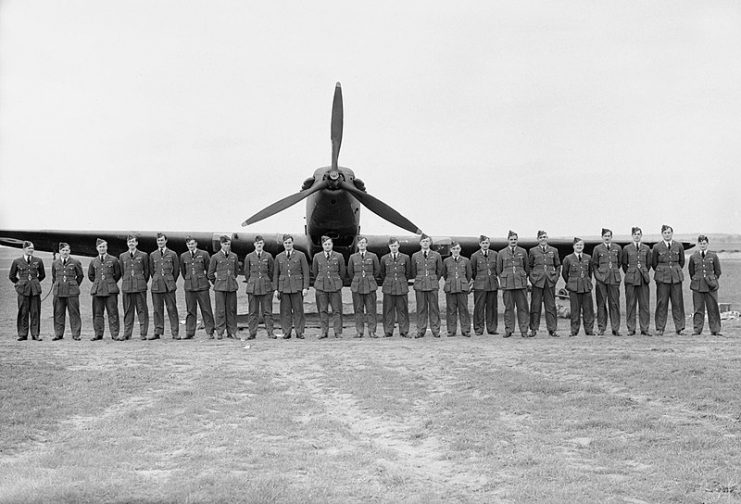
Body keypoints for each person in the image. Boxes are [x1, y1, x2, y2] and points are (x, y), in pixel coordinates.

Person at [273, 234, 310, 339]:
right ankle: (286, 332)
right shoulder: (279, 257)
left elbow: (305, 272)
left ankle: (299, 332)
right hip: (284, 287)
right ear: (283, 244)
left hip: (297, 287)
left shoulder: (300, 255)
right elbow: (276, 274)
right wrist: (276, 289)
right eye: (286, 243)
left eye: (289, 242)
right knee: (285, 311)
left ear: (292, 243)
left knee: (298, 311)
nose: (288, 244)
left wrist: (305, 287)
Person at [652, 224, 686, 335]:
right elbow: (654, 263)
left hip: (676, 278)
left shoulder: (679, 246)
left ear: (672, 233)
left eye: (669, 232)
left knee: (678, 302)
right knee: (662, 302)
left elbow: (681, 262)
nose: (667, 234)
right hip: (662, 278)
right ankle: (660, 328)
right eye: (665, 233)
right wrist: (663, 271)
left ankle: (679, 328)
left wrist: (674, 271)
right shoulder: (657, 247)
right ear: (662, 234)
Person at [9, 241, 46, 341]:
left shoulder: (38, 260)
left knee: (35, 311)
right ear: (24, 249)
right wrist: (20, 283)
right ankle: (22, 334)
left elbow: (42, 275)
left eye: (32, 248)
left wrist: (35, 282)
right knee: (23, 311)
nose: (31, 250)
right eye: (29, 248)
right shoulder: (17, 261)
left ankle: (35, 334)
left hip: (34, 289)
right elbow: (12, 276)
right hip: (23, 290)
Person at [180, 236, 215, 339]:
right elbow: (183, 272)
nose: (190, 246)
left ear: (196, 244)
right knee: (190, 310)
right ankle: (190, 332)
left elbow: (209, 269)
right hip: (190, 287)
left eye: (192, 243)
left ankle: (210, 332)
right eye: (188, 244)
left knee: (206, 309)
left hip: (202, 286)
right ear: (187, 245)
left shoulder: (204, 254)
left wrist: (204, 279)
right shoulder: (183, 256)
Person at [528, 230, 561, 337]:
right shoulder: (533, 251)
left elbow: (558, 265)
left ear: (547, 238)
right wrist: (533, 278)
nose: (543, 239)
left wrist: (555, 277)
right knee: (535, 305)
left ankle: (552, 329)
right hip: (537, 281)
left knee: (550, 306)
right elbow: (530, 266)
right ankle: (533, 328)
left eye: (545, 237)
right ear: (538, 239)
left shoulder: (553, 250)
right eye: (541, 237)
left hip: (550, 281)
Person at [312, 236, 346, 339]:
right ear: (322, 245)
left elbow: (342, 272)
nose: (327, 246)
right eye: (325, 244)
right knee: (323, 310)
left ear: (332, 245)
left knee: (337, 310)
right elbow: (315, 272)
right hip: (321, 287)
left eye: (329, 244)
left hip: (335, 287)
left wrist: (337, 282)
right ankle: (324, 332)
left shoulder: (339, 256)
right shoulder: (317, 257)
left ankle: (338, 332)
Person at [497, 231, 530, 338]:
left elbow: (527, 268)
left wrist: (523, 278)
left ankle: (524, 330)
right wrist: (504, 280)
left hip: (520, 284)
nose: (513, 241)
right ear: (508, 240)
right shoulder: (501, 253)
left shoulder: (523, 252)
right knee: (509, 308)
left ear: (517, 240)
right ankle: (509, 330)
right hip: (508, 284)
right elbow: (499, 269)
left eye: (515, 239)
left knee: (523, 308)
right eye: (511, 239)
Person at [347, 236, 381, 338]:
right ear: (357, 245)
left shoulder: (373, 256)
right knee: (358, 310)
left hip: (370, 286)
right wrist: (358, 279)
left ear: (366, 244)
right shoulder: (353, 257)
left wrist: (369, 278)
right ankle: (359, 331)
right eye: (360, 243)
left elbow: (377, 270)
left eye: (363, 243)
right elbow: (350, 272)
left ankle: (372, 331)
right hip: (357, 286)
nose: (362, 244)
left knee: (371, 309)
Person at [88, 238, 121, 341]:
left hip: (110, 290)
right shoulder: (93, 261)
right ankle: (98, 334)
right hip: (97, 290)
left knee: (113, 312)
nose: (102, 248)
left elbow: (118, 274)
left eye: (104, 246)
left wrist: (109, 282)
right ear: (97, 248)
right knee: (97, 313)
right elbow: (91, 275)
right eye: (100, 247)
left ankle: (115, 334)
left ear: (107, 247)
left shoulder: (114, 260)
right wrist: (99, 283)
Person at [591, 228, 623, 336]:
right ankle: (601, 328)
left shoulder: (617, 248)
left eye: (609, 236)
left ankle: (615, 328)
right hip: (601, 280)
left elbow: (619, 263)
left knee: (614, 303)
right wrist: (598, 277)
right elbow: (594, 265)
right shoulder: (597, 249)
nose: (607, 237)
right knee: (601, 304)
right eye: (605, 236)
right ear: (602, 237)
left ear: (612, 237)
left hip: (614, 279)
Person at [688, 235, 722, 336]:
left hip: (711, 286)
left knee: (713, 308)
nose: (702, 245)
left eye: (704, 243)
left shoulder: (713, 256)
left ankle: (715, 330)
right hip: (697, 286)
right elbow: (691, 272)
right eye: (701, 243)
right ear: (698, 244)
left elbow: (718, 271)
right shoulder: (693, 256)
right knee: (698, 308)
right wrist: (697, 279)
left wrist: (712, 279)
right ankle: (697, 329)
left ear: (707, 244)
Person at [411, 234, 443, 338]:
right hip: (420, 284)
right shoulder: (415, 256)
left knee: (434, 308)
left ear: (430, 243)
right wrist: (421, 279)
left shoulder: (436, 255)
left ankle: (436, 330)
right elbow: (413, 271)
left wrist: (432, 279)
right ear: (420, 243)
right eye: (423, 241)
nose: (425, 243)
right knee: (421, 308)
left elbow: (439, 271)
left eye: (427, 241)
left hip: (432, 284)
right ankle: (421, 330)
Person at [243, 235, 275, 340]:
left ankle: (270, 332)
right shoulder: (249, 257)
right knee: (253, 312)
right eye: (257, 243)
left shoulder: (268, 256)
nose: (259, 245)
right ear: (254, 244)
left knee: (267, 311)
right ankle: (252, 333)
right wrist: (253, 281)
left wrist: (266, 281)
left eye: (261, 243)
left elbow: (271, 272)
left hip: (266, 286)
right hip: (253, 287)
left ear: (263, 244)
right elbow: (247, 273)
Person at [621, 227, 652, 336]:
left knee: (644, 304)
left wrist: (642, 272)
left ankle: (644, 328)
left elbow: (648, 264)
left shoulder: (646, 248)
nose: (637, 236)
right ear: (632, 235)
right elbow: (624, 265)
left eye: (639, 234)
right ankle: (631, 328)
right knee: (631, 303)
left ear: (641, 235)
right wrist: (631, 273)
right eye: (635, 234)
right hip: (631, 279)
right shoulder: (626, 249)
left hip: (643, 278)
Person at [561, 237, 595, 337]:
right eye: (577, 245)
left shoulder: (588, 258)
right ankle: (574, 330)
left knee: (588, 310)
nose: (579, 247)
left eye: (581, 245)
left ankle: (589, 330)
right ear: (573, 246)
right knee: (575, 310)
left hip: (585, 286)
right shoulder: (568, 258)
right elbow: (565, 273)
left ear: (583, 246)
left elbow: (589, 272)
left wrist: (587, 282)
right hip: (574, 288)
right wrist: (571, 283)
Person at [208, 235, 239, 339]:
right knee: (220, 310)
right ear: (221, 244)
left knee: (231, 309)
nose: (227, 246)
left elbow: (236, 272)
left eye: (229, 244)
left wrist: (231, 280)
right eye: (225, 244)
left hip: (231, 286)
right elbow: (210, 274)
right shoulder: (215, 257)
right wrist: (217, 283)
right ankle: (220, 332)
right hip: (220, 288)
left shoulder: (234, 256)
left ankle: (232, 332)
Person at [119, 234, 150, 340]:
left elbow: (146, 272)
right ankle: (127, 333)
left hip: (139, 286)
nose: (131, 243)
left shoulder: (143, 255)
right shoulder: (123, 256)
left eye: (133, 241)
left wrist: (140, 281)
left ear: (137, 243)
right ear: (127, 243)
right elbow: (123, 272)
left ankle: (143, 333)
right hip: (127, 286)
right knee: (128, 310)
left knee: (142, 310)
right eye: (129, 242)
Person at [379, 237, 412, 337]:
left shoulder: (405, 258)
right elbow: (382, 273)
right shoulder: (384, 258)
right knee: (388, 310)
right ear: (389, 247)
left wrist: (402, 281)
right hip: (389, 287)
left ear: (399, 246)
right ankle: (388, 331)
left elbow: (408, 273)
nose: (394, 248)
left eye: (395, 246)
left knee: (403, 310)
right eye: (392, 246)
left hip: (401, 286)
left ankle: (404, 331)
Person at [150, 233, 180, 339]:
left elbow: (176, 270)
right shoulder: (153, 255)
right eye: (158, 241)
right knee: (157, 309)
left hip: (169, 285)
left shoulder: (172, 254)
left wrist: (171, 280)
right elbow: (151, 271)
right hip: (157, 285)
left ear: (166, 241)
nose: (160, 242)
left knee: (172, 308)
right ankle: (158, 331)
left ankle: (175, 332)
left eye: (162, 240)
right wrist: (158, 279)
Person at [51, 242, 84, 341]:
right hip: (59, 291)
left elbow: (80, 276)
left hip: (72, 291)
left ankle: (76, 334)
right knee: (58, 313)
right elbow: (54, 276)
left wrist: (74, 284)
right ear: (59, 251)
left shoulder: (75, 262)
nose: (65, 252)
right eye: (63, 250)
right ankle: (58, 334)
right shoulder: (55, 263)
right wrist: (59, 284)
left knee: (74, 313)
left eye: (66, 250)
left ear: (69, 251)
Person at [441, 241, 472, 337]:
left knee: (464, 309)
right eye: (454, 249)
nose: (455, 251)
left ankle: (465, 330)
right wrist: (451, 282)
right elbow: (445, 275)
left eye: (457, 249)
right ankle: (451, 330)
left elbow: (469, 275)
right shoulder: (446, 261)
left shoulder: (465, 261)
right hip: (451, 288)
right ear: (450, 250)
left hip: (462, 288)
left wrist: (462, 282)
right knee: (451, 310)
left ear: (460, 249)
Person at [469, 235, 499, 336]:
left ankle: (492, 328)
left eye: (486, 243)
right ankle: (478, 328)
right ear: (480, 244)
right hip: (480, 285)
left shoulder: (495, 254)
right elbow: (473, 271)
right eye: (483, 243)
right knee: (479, 307)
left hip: (492, 284)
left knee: (492, 307)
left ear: (489, 244)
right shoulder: (475, 256)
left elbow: (497, 268)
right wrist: (478, 280)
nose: (485, 245)